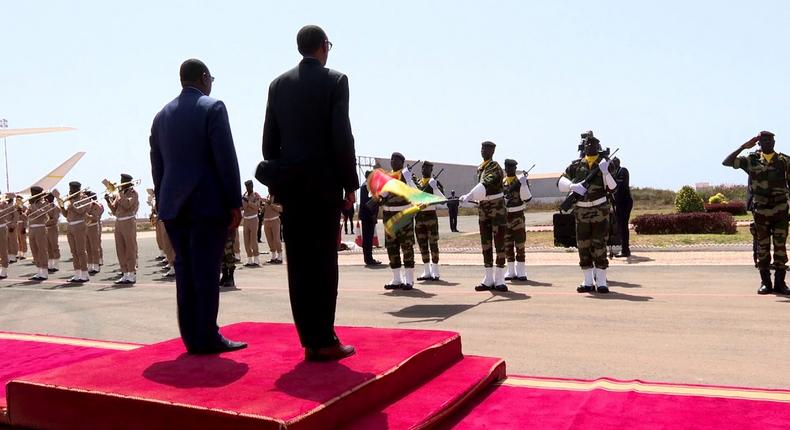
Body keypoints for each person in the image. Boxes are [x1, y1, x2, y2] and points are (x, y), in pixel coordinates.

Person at [262, 25, 358, 361]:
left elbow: (269, 144)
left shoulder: (277, 85)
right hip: (324, 187)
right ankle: (324, 338)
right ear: (322, 47)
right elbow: (341, 137)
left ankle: (308, 338)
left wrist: (278, 186)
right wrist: (351, 184)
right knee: (324, 263)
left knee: (299, 264)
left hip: (292, 189)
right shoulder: (335, 81)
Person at [150, 58, 246, 354]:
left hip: (174, 208)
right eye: (211, 78)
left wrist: (165, 200)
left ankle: (191, 336)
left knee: (185, 270)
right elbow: (225, 158)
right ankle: (207, 335)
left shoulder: (161, 116)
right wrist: (234, 201)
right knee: (206, 270)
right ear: (204, 78)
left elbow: (157, 166)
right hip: (206, 205)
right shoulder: (212, 108)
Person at [723, 131, 790, 295]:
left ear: (774, 142)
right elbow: (727, 162)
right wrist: (743, 147)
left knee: (780, 247)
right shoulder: (751, 160)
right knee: (763, 247)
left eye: (771, 140)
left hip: (781, 210)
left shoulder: (784, 161)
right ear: (759, 143)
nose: (768, 142)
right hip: (761, 211)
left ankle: (781, 283)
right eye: (764, 140)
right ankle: (765, 282)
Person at [557, 134, 617, 293]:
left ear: (598, 147)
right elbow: (560, 182)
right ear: (584, 147)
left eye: (593, 145)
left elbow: (612, 187)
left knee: (599, 245)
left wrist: (605, 173)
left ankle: (602, 281)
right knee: (583, 245)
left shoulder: (605, 165)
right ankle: (587, 281)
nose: (589, 147)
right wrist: (572, 186)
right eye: (587, 145)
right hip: (581, 211)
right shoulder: (576, 166)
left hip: (599, 211)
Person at [460, 141, 508, 292]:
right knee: (485, 243)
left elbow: (486, 185)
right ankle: (488, 278)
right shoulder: (481, 168)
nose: (483, 151)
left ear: (492, 151)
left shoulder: (494, 166)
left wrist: (470, 195)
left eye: (486, 149)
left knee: (499, 241)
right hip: (484, 208)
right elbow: (480, 192)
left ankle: (499, 278)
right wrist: (469, 198)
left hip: (496, 208)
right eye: (482, 148)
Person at [376, 152, 417, 290]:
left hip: (403, 216)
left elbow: (415, 193)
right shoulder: (387, 177)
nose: (393, 161)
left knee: (407, 247)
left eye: (396, 159)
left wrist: (408, 179)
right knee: (392, 248)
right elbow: (379, 194)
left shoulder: (408, 176)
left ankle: (409, 280)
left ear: (402, 162)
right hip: (389, 217)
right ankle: (396, 279)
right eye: (392, 159)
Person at [105, 174, 139, 284]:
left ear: (128, 182)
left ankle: (131, 273)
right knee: (120, 248)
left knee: (130, 247)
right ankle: (124, 273)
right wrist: (108, 201)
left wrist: (119, 193)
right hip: (119, 222)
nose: (120, 182)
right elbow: (115, 210)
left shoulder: (133, 193)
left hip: (128, 221)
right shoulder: (119, 194)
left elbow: (127, 205)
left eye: (123, 181)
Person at [502, 159, 532, 282]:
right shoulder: (502, 181)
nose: (509, 169)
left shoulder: (520, 181)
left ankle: (521, 272)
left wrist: (523, 184)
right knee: (507, 244)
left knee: (520, 244)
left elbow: (527, 198)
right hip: (505, 216)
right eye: (507, 167)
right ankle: (511, 271)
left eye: (512, 167)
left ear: (515, 169)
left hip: (517, 215)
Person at [414, 161, 444, 281]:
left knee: (433, 244)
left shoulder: (435, 182)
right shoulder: (417, 183)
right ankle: (426, 270)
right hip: (419, 216)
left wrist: (435, 187)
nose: (424, 169)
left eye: (427, 168)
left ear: (431, 170)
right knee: (422, 244)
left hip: (430, 216)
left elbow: (442, 200)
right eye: (423, 167)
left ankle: (435, 270)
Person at [60, 182, 90, 283]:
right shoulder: (70, 200)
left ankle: (85, 274)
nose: (71, 191)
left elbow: (81, 211)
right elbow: (66, 214)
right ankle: (77, 273)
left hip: (79, 225)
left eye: (73, 189)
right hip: (70, 225)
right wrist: (61, 206)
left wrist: (72, 202)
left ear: (78, 189)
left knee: (81, 251)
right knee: (74, 251)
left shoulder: (84, 198)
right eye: (70, 189)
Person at [26, 186, 50, 281]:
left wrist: (33, 206)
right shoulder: (31, 204)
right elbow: (27, 217)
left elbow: (41, 214)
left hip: (40, 227)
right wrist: (21, 211)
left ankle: (44, 271)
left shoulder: (44, 203)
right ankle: (39, 270)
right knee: (34, 251)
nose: (32, 195)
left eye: (34, 193)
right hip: (31, 228)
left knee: (42, 250)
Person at [359, 170, 382, 266]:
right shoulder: (366, 187)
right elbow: (368, 203)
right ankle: (368, 259)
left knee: (368, 238)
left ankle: (369, 258)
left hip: (368, 216)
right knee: (368, 238)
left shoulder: (367, 186)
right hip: (368, 217)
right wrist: (373, 215)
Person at [612, 158, 633, 258]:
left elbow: (620, 186)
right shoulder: (615, 173)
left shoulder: (622, 171)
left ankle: (625, 250)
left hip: (624, 202)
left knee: (623, 226)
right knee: (620, 226)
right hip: (619, 203)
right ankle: (624, 248)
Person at [242, 180, 263, 266]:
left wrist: (248, 202)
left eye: (249, 186)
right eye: (246, 186)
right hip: (246, 220)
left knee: (254, 240)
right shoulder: (244, 195)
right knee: (246, 241)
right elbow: (242, 207)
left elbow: (257, 207)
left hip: (253, 219)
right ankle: (249, 259)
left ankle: (256, 259)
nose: (248, 188)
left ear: (252, 186)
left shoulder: (256, 195)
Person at [84, 191, 104, 275]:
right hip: (86, 227)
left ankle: (96, 264)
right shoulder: (85, 206)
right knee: (87, 247)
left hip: (93, 226)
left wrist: (85, 214)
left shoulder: (96, 205)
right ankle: (90, 264)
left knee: (94, 247)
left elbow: (95, 217)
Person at [262, 195, 283, 264]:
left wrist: (271, 204)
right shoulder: (267, 197)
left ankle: (280, 256)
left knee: (276, 239)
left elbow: (280, 209)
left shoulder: (277, 198)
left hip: (275, 220)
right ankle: (273, 256)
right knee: (269, 239)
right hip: (266, 221)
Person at [45, 193, 60, 273]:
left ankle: (56, 265)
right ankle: (50, 264)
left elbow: (54, 219)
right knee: (48, 247)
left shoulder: (55, 208)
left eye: (47, 197)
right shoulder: (45, 207)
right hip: (46, 229)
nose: (45, 199)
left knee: (54, 246)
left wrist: (44, 222)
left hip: (52, 228)